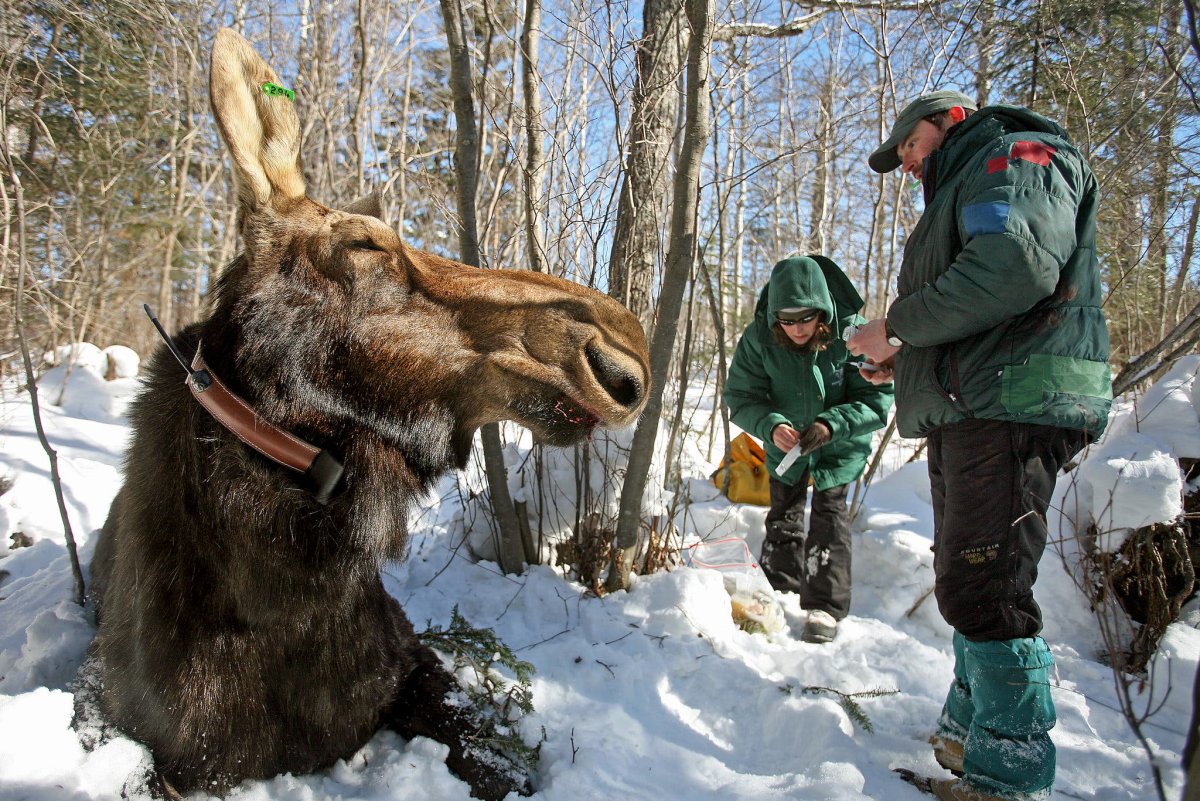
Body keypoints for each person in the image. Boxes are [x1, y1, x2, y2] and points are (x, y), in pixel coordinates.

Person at [848, 90, 1112, 801]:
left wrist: (898, 326)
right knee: (963, 575)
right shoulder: (972, 177)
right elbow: (978, 310)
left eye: (908, 145)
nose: (905, 163)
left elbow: (1016, 267)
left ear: (945, 122)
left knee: (986, 585)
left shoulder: (1013, 156)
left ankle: (1010, 773)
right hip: (980, 402)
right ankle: (971, 736)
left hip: (1015, 401)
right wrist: (901, 358)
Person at [724, 255, 893, 644]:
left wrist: (830, 425)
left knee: (830, 520)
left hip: (840, 447)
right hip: (786, 449)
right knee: (783, 514)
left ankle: (825, 609)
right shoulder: (759, 338)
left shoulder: (853, 335)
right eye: (787, 319)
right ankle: (775, 593)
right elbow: (742, 395)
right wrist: (771, 424)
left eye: (806, 318)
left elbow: (876, 401)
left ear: (822, 311)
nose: (797, 329)